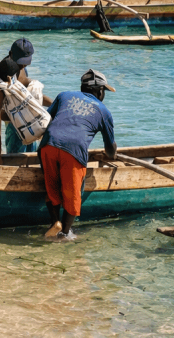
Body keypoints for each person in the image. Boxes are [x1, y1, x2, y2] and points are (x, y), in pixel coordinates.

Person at [40, 69, 117, 240]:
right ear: (99, 91)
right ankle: (64, 234)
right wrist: (112, 154)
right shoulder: (103, 111)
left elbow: (46, 119)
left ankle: (55, 222)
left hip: (48, 145)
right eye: (103, 91)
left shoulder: (64, 95)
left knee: (51, 187)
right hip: (73, 151)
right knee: (73, 195)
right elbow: (110, 150)